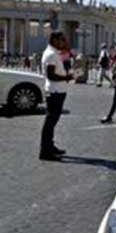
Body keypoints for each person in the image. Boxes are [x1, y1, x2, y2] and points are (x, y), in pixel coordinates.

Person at [39, 32, 73, 161]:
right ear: (54, 40)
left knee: (52, 122)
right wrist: (66, 77)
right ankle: (45, 151)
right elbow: (51, 75)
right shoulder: (51, 54)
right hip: (55, 91)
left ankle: (50, 146)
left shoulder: (54, 53)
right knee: (50, 122)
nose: (63, 42)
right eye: (61, 39)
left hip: (57, 90)